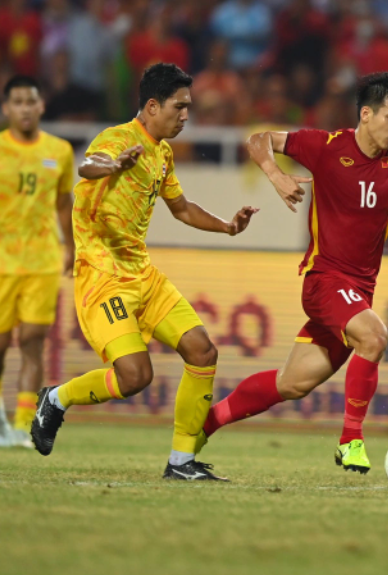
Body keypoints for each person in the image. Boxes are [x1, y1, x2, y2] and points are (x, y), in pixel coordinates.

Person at [198, 72, 388, 474]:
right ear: (366, 114)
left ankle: (204, 424)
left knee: (293, 383)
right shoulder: (325, 146)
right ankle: (351, 441)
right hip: (324, 280)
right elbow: (258, 139)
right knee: (375, 336)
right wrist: (276, 174)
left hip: (358, 292)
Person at [30, 63, 258, 481]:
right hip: (101, 275)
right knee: (136, 376)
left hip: (142, 273)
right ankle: (57, 399)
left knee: (202, 350)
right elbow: (89, 166)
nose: (186, 116)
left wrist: (227, 225)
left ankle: (181, 462)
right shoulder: (117, 139)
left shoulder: (163, 153)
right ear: (152, 106)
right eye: (180, 107)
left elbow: (182, 208)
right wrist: (114, 165)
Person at [0, 75, 74, 448]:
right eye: (18, 102)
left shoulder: (59, 151)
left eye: (31, 101)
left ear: (41, 106)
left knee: (31, 342)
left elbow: (63, 203)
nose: (25, 108)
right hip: (0, 260)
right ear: (6, 108)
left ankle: (24, 425)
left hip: (43, 259)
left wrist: (71, 246)